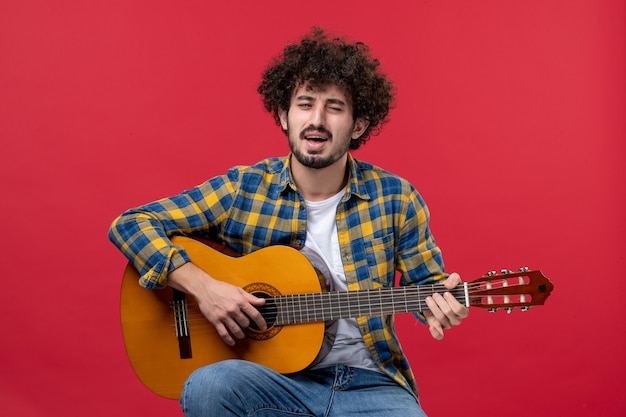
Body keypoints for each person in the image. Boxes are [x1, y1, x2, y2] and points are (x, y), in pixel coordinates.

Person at [109, 27, 469, 417]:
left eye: (334, 107)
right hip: (272, 381)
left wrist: (440, 305)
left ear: (359, 124)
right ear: (284, 114)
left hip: (370, 383)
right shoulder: (245, 188)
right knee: (209, 385)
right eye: (304, 103)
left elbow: (428, 290)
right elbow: (131, 224)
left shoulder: (396, 197)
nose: (316, 120)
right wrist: (205, 288)